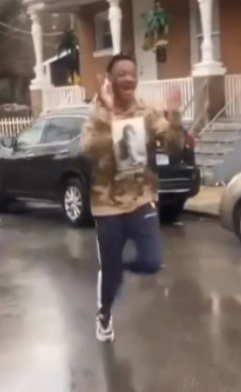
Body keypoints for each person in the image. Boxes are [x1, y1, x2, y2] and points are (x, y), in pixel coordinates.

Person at [80, 54, 185, 342]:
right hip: (107, 204)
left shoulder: (147, 112)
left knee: (152, 262)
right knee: (111, 275)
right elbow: (89, 149)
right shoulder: (98, 113)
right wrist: (109, 115)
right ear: (110, 80)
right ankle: (104, 312)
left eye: (132, 73)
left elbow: (174, 147)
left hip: (141, 199)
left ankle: (114, 267)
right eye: (121, 74)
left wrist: (175, 120)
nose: (128, 79)